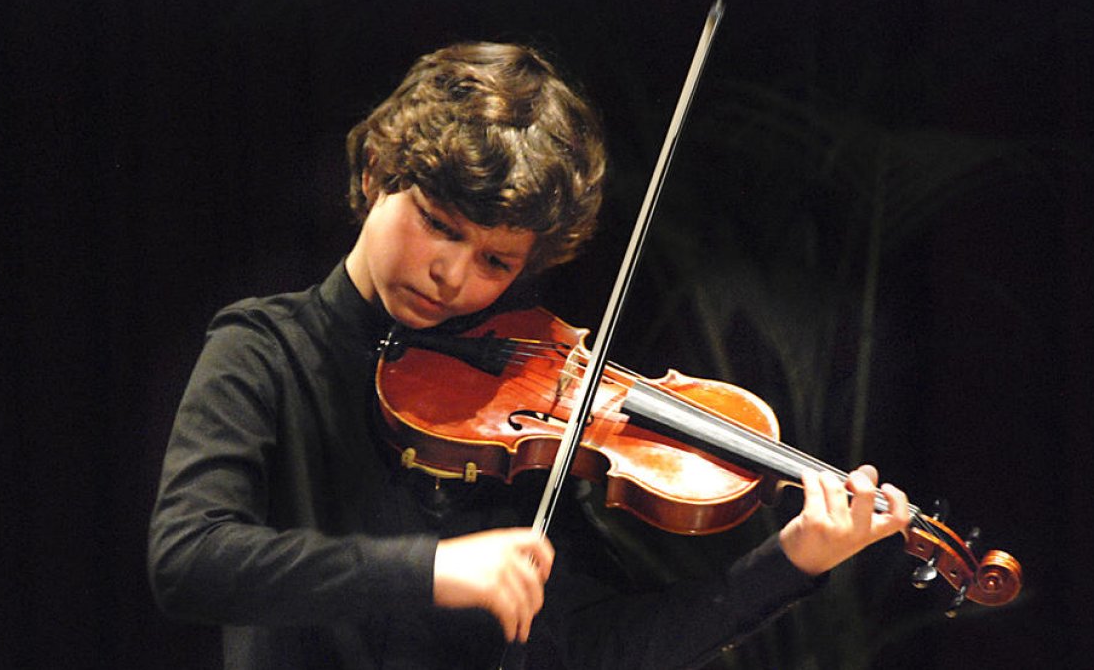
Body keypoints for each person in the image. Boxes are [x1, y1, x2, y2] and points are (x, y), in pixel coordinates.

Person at [148, 41, 910, 669]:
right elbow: (189, 558)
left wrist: (792, 560)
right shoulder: (263, 351)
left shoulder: (517, 403)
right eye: (440, 225)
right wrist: (434, 570)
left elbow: (592, 645)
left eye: (496, 262)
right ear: (379, 170)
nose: (453, 275)